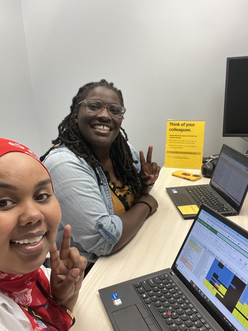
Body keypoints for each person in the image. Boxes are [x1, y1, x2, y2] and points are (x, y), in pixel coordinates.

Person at [41, 79, 161, 266]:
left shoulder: (121, 148)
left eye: (114, 110)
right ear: (75, 114)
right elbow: (105, 242)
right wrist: (146, 203)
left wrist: (144, 184)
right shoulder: (63, 163)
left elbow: (131, 199)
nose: (105, 115)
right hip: (85, 270)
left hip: (129, 248)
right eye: (94, 106)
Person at [0, 138, 87, 331]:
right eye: (3, 203)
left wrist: (62, 300)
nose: (33, 215)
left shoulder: (35, 275)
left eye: (41, 196)